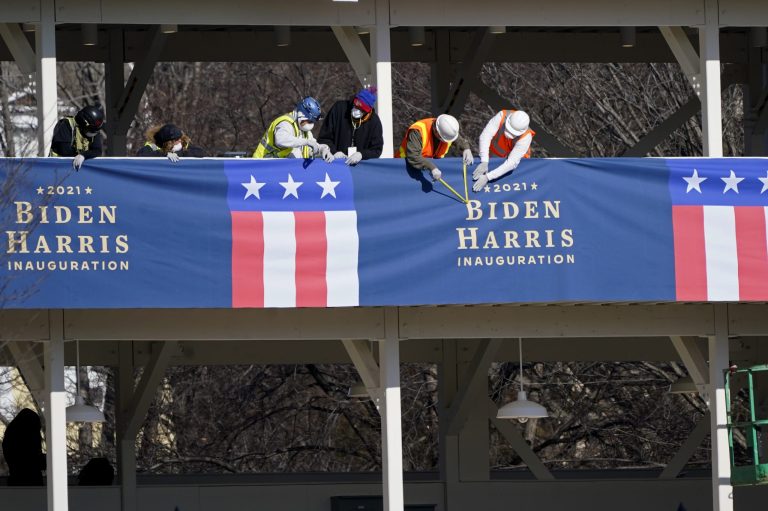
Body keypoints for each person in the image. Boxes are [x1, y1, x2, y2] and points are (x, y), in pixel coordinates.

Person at [395, 114, 474, 182]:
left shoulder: (445, 128)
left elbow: (456, 138)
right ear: (436, 131)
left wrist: (466, 148)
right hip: (404, 169)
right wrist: (431, 167)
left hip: (429, 172)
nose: (445, 141)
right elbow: (413, 156)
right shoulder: (418, 131)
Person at [472, 109, 535, 192]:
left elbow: (511, 163)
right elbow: (485, 136)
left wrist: (488, 177)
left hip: (516, 167)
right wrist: (484, 161)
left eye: (513, 133)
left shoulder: (526, 137)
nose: (509, 135)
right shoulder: (502, 116)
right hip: (493, 157)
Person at [317, 86, 383, 165]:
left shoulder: (374, 122)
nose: (357, 110)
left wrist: (361, 154)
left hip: (360, 168)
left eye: (361, 110)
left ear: (367, 111)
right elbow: (323, 138)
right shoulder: (339, 109)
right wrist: (334, 151)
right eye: (356, 106)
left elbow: (376, 149)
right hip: (335, 164)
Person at [253, 97, 330, 160]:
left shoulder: (304, 131)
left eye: (312, 122)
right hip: (261, 166)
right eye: (309, 121)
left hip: (277, 169)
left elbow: (313, 146)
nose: (310, 124)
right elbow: (281, 140)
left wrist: (323, 149)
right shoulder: (285, 123)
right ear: (301, 114)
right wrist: (306, 142)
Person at [49, 105, 105, 170]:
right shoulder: (65, 125)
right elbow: (65, 151)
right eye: (92, 131)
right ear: (83, 125)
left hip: (77, 171)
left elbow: (97, 150)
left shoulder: (94, 129)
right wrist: (85, 154)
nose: (94, 134)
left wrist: (83, 155)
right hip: (57, 168)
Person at [1, 408, 46, 486]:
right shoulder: (29, 438)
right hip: (31, 483)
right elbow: (31, 462)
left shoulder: (10, 437)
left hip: (16, 483)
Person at [136, 124, 205, 161]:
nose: (180, 141)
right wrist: (165, 155)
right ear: (167, 142)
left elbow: (200, 152)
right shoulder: (153, 146)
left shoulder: (183, 143)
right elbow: (143, 155)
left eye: (180, 138)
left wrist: (178, 152)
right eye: (176, 140)